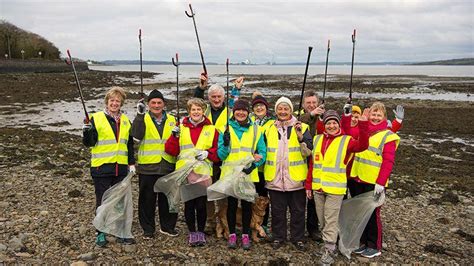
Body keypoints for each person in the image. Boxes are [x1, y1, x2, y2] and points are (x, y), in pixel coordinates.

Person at [305, 109, 369, 264]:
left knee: (330, 219)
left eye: (334, 123)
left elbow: (363, 145)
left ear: (339, 124)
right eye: (328, 123)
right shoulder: (318, 139)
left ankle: (328, 250)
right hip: (318, 188)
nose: (331, 126)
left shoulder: (347, 140)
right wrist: (308, 185)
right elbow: (313, 165)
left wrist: (363, 124)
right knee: (322, 220)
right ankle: (337, 241)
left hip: (335, 189)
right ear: (324, 125)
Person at [82, 86, 135, 247]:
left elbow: (129, 144)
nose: (114, 103)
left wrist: (131, 163)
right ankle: (100, 233)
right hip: (101, 168)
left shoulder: (125, 120)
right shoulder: (95, 118)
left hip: (121, 168)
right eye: (112, 100)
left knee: (120, 202)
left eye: (117, 101)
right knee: (102, 201)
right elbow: (89, 143)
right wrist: (86, 131)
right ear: (107, 101)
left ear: (121, 103)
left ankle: (120, 232)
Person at [164, 98, 220, 247]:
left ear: (203, 111)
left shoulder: (212, 129)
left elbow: (218, 153)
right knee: (189, 204)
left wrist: (208, 153)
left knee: (201, 205)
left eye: (199, 109)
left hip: (202, 173)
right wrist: (174, 137)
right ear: (189, 112)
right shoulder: (181, 128)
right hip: (185, 173)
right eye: (193, 110)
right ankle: (192, 232)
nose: (196, 112)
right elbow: (170, 150)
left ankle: (200, 232)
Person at [193, 73, 244, 233]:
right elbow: (195, 102)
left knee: (223, 190)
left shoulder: (229, 111)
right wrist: (201, 87)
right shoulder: (204, 110)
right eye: (213, 96)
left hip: (224, 157)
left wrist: (236, 88)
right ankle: (209, 221)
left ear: (223, 97)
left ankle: (224, 220)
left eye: (219, 96)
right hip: (206, 157)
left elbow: (235, 100)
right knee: (207, 190)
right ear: (209, 98)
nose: (216, 99)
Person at [349, 102, 400, 258]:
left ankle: (375, 246)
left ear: (384, 117)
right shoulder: (362, 130)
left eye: (379, 115)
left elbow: (388, 161)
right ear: (369, 115)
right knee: (361, 213)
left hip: (374, 182)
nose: (376, 117)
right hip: (357, 178)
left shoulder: (388, 136)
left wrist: (381, 181)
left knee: (372, 213)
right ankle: (363, 243)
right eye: (373, 114)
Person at [264, 97, 313, 251]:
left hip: (296, 178)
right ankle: (279, 237)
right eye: (280, 108)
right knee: (277, 212)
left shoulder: (303, 127)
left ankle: (297, 238)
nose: (283, 111)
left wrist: (300, 138)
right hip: (275, 178)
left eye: (286, 109)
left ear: (291, 111)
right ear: (276, 110)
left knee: (298, 211)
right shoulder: (268, 128)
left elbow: (308, 152)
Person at [217, 99, 267, 250]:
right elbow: (221, 155)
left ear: (248, 112)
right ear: (234, 112)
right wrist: (225, 144)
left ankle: (245, 235)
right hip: (230, 174)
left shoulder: (256, 130)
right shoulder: (225, 128)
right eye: (238, 110)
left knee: (246, 205)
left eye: (244, 110)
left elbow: (262, 153)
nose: (240, 113)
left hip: (248, 174)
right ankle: (232, 234)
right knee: (231, 205)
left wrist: (254, 166)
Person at [131, 89, 178, 239]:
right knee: (146, 200)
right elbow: (136, 137)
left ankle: (168, 227)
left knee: (168, 199)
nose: (156, 105)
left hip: (168, 165)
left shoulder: (173, 119)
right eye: (153, 103)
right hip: (148, 167)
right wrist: (139, 115)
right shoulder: (142, 118)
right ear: (148, 104)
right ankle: (148, 229)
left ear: (164, 104)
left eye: (159, 102)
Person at [296, 90, 325, 242]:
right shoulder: (300, 116)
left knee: (314, 196)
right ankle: (299, 227)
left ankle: (313, 228)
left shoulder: (324, 115)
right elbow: (298, 121)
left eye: (314, 102)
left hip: (318, 160)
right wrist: (312, 114)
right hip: (302, 158)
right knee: (300, 197)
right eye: (308, 103)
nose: (312, 105)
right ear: (303, 104)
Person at [249, 93, 275, 232]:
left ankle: (263, 223)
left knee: (264, 197)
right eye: (256, 106)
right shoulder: (249, 121)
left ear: (266, 107)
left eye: (261, 105)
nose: (259, 108)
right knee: (251, 196)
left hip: (266, 166)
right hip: (252, 167)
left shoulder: (272, 122)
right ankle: (251, 221)